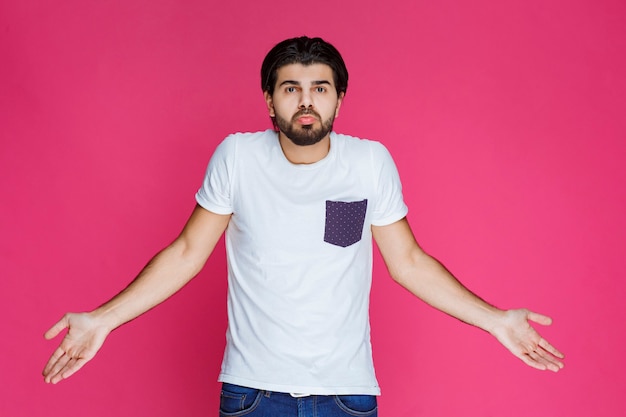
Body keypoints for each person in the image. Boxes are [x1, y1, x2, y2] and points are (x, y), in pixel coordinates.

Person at [42, 36, 564, 416]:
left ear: (339, 99)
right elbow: (186, 253)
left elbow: (408, 262)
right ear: (269, 100)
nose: (307, 100)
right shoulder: (238, 157)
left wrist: (495, 320)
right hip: (251, 393)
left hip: (346, 393)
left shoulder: (368, 164)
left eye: (320, 88)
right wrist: (103, 319)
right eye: (291, 88)